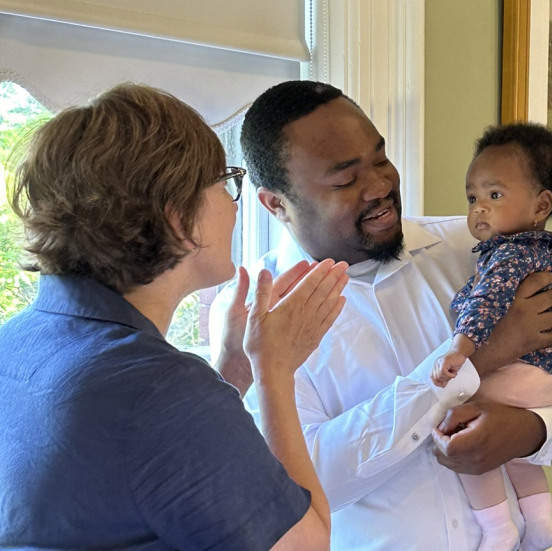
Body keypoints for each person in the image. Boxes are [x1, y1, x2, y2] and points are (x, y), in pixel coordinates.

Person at [211, 80, 552, 550]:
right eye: (346, 178)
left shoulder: (476, 248)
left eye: (380, 159)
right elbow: (307, 480)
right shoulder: (255, 317)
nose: (380, 186)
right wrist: (474, 363)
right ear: (276, 203)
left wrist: (534, 429)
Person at [0, 83, 349, 550]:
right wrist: (274, 371)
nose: (232, 202)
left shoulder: (17, 342)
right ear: (179, 221)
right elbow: (306, 546)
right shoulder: (160, 391)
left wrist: (233, 373)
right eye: (225, 183)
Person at [430, 123, 552, 551]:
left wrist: (460, 349)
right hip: (546, 383)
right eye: (472, 198)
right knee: (520, 456)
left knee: (468, 438)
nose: (479, 209)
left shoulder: (507, 256)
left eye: (494, 195)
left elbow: (484, 305)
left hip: (514, 375)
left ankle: (498, 530)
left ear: (541, 204)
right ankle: (541, 522)